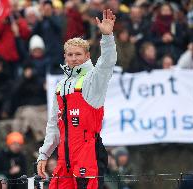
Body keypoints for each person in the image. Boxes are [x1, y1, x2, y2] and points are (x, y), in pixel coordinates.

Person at [37, 9, 117, 189]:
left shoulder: (93, 80)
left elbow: (107, 63)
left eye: (78, 54)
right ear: (65, 57)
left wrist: (107, 37)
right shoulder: (60, 86)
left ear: (87, 56)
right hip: (64, 158)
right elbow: (53, 125)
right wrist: (44, 155)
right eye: (70, 55)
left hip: (88, 154)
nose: (74, 59)